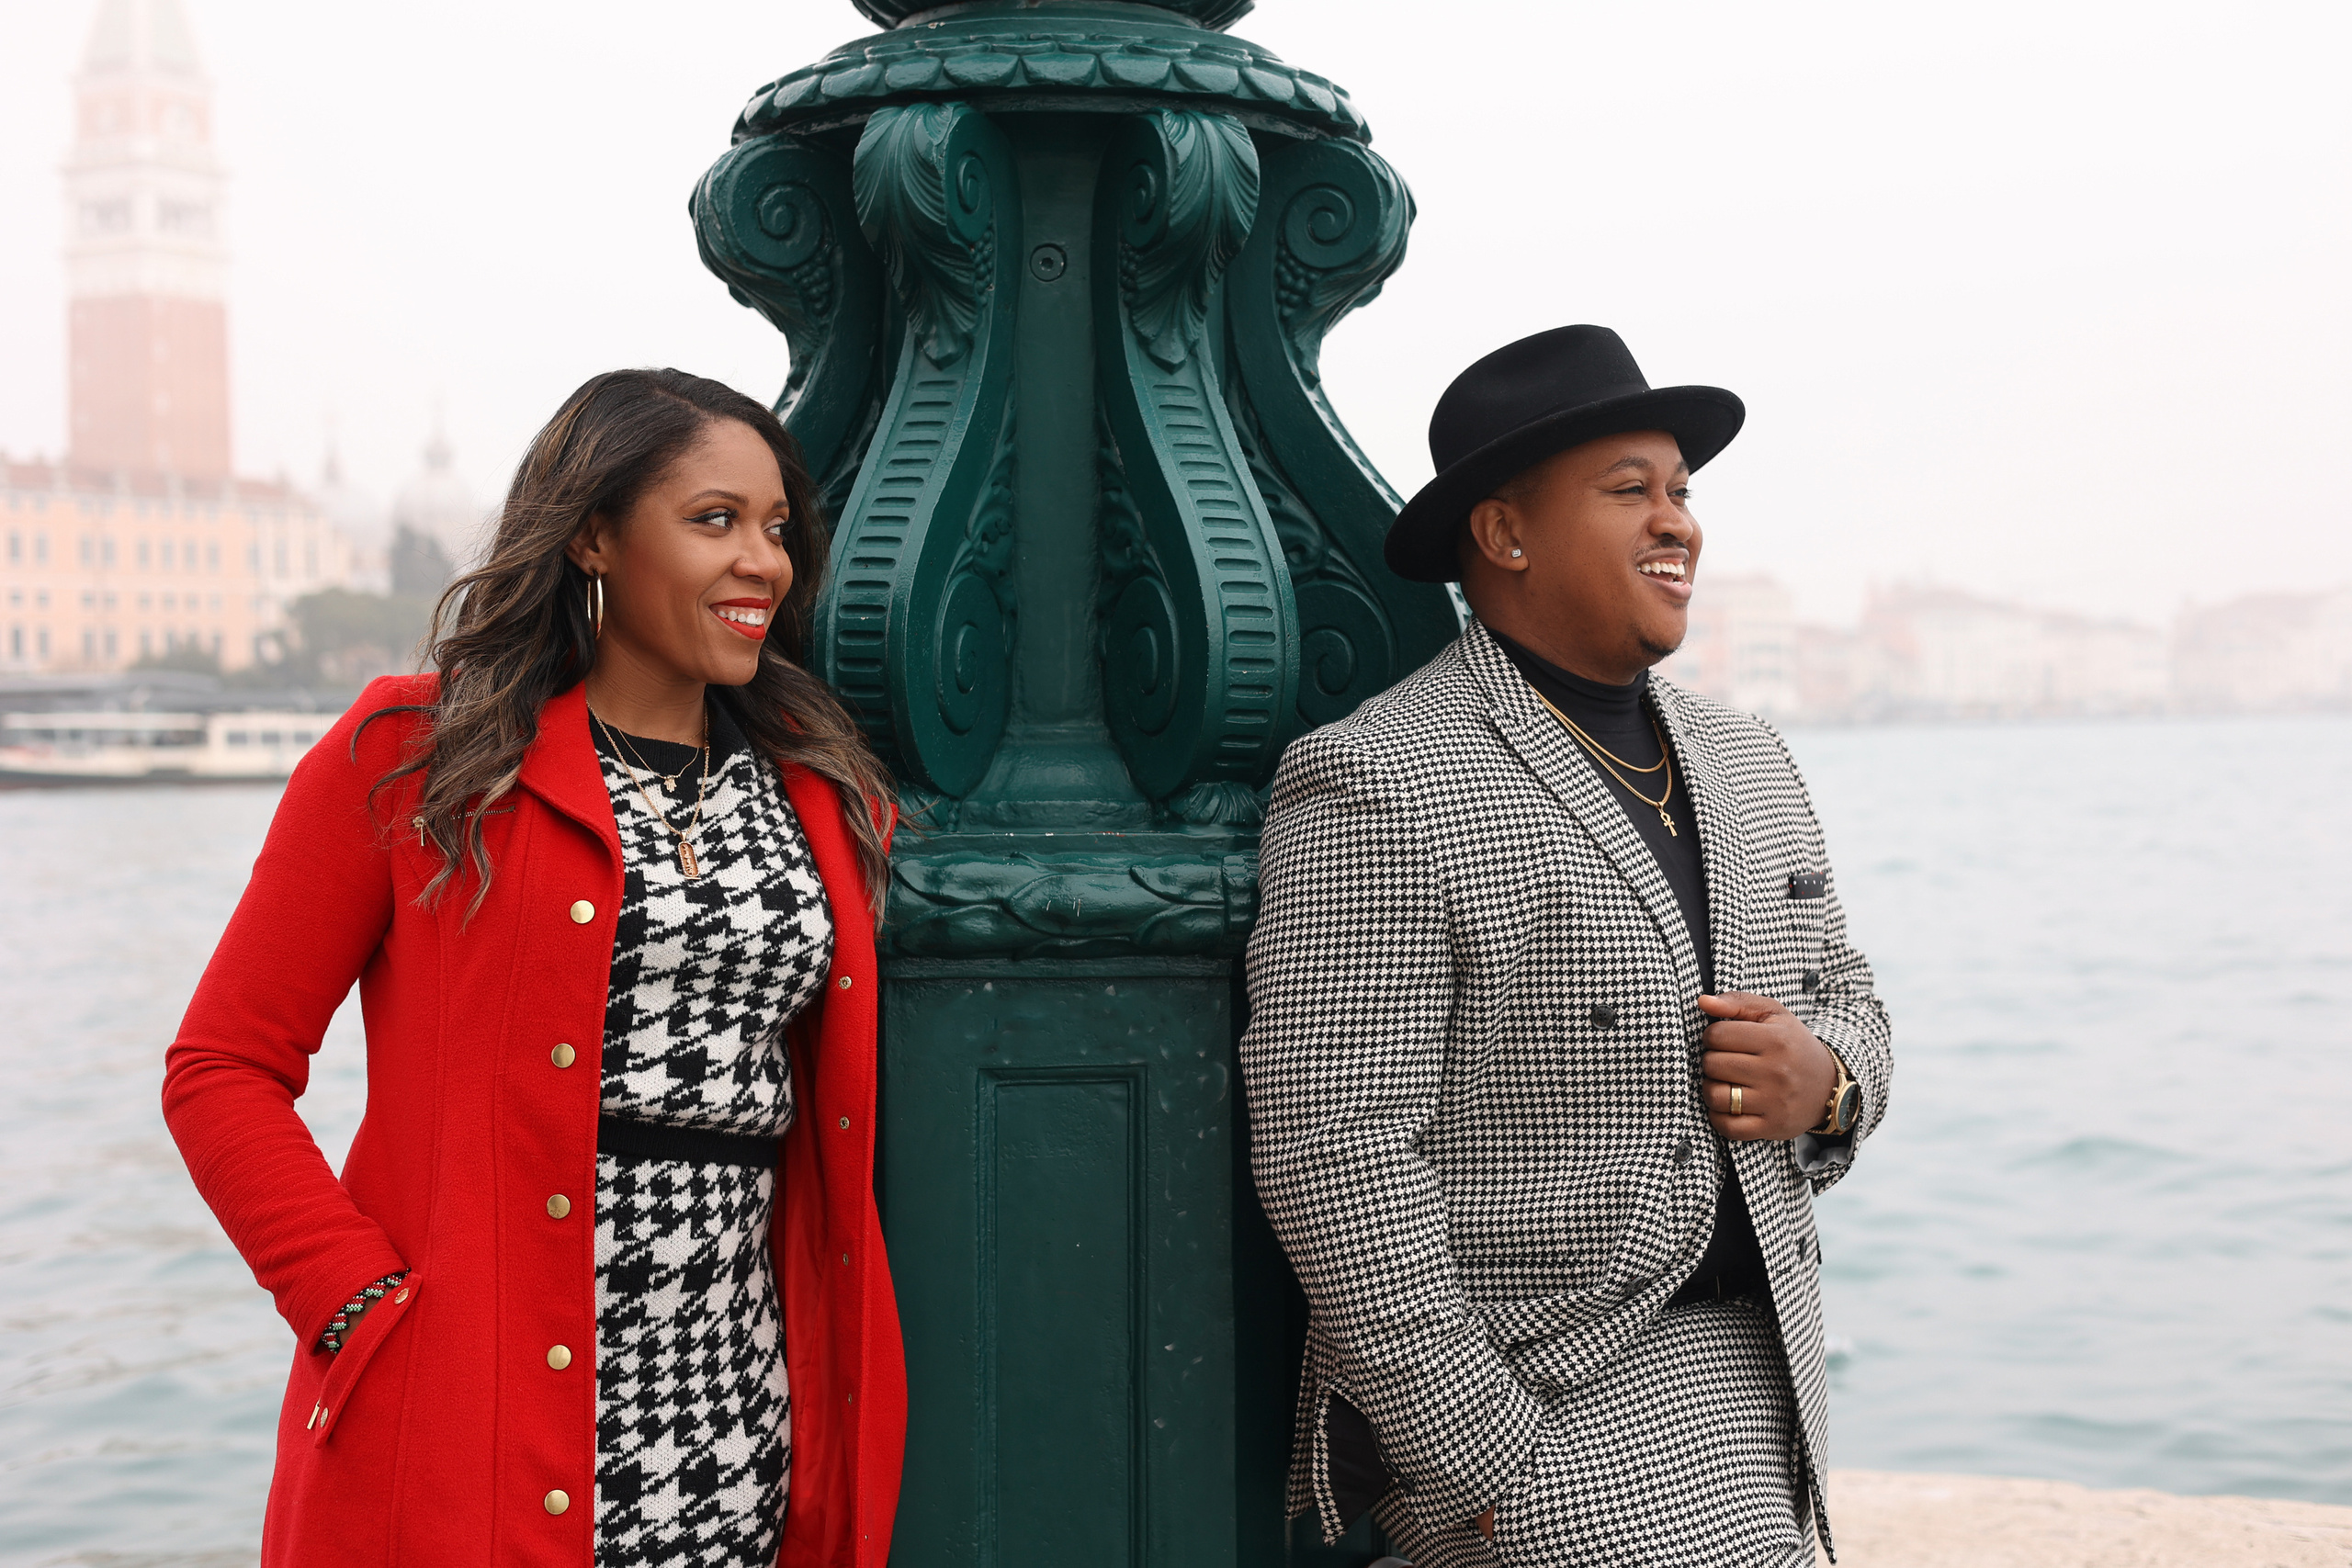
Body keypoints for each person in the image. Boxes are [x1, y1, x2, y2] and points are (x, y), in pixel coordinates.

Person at [163, 368, 905, 1566]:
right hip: (481, 1412)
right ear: (596, 537)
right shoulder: (413, 759)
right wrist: (356, 1306)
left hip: (738, 1411)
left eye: (776, 529)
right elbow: (221, 1068)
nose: (761, 562)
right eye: (713, 521)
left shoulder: (814, 790)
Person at [1243, 326, 1892, 1566]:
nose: (1679, 524)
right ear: (1505, 532)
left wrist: (1830, 1080)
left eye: (1684, 492)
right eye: (1629, 491)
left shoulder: (1749, 760)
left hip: (1774, 1385)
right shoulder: (1379, 776)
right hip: (1553, 1410)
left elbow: (1850, 993)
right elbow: (1332, 1145)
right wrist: (1484, 1463)